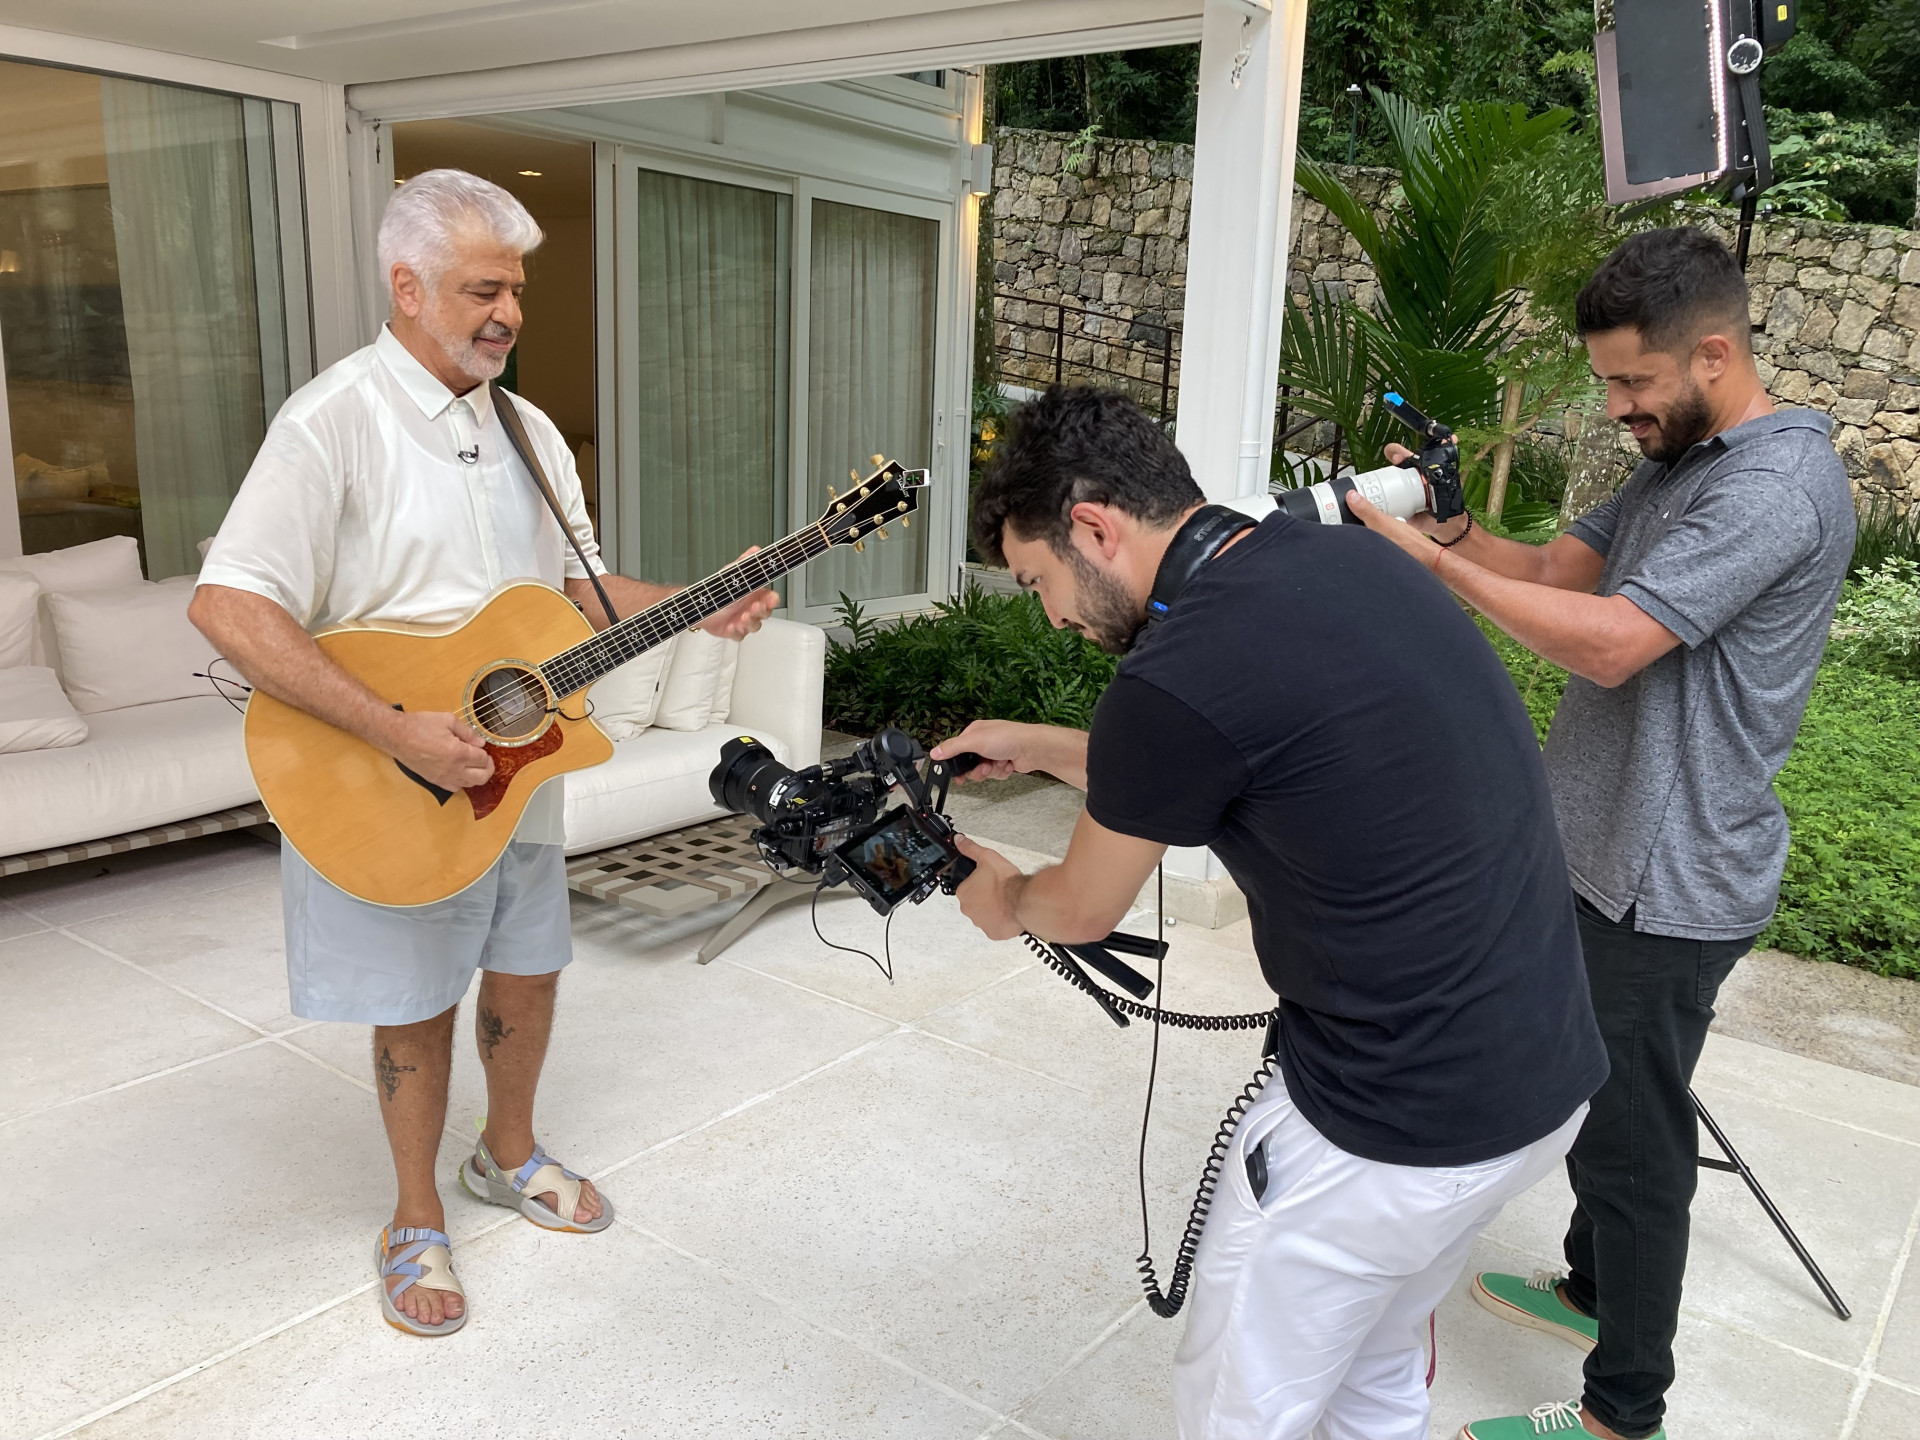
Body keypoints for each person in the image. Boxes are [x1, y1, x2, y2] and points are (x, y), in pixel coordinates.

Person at [934, 386, 1608, 1440]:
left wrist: (1001, 893)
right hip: (1539, 1085)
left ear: (1095, 529)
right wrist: (1044, 745)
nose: (1053, 616)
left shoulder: (1175, 676)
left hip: (1387, 1128)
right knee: (1377, 1375)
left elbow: (1078, 906)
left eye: (1038, 581)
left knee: (1241, 1412)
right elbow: (1256, 754)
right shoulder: (1345, 559)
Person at [190, 170, 776, 1337]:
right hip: (390, 774)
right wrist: (394, 727)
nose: (507, 312)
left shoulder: (529, 431)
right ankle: (415, 1216)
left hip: (518, 768)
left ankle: (507, 1154)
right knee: (414, 1001)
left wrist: (694, 603)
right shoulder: (331, 421)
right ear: (406, 288)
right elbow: (229, 605)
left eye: (515, 290)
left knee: (527, 967)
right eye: (481, 290)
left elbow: (572, 597)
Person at [1344, 227, 1855, 1440]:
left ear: (1714, 353)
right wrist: (1451, 526)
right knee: (1587, 1095)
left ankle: (1626, 1411)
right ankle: (1587, 1289)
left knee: (1633, 1148)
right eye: (1608, 382)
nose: (1617, 406)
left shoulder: (1773, 486)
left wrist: (1418, 563)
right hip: (1596, 851)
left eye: (1634, 381)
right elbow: (1554, 572)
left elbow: (1613, 643)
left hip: (1668, 880)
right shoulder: (1675, 461)